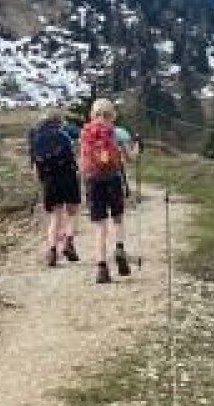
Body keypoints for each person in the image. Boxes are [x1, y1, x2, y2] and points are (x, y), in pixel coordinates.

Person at [78, 98, 136, 283]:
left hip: (93, 181)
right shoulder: (118, 132)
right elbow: (131, 158)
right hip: (113, 178)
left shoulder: (85, 132)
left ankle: (102, 268)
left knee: (99, 226)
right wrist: (137, 147)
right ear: (114, 115)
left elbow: (83, 161)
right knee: (117, 217)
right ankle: (119, 247)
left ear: (91, 114)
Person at [27, 108, 82, 267]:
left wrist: (41, 181)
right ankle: (68, 243)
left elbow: (35, 167)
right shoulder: (64, 135)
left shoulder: (36, 139)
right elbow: (74, 154)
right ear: (59, 121)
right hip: (68, 177)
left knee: (55, 217)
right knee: (72, 213)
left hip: (50, 181)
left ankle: (52, 251)